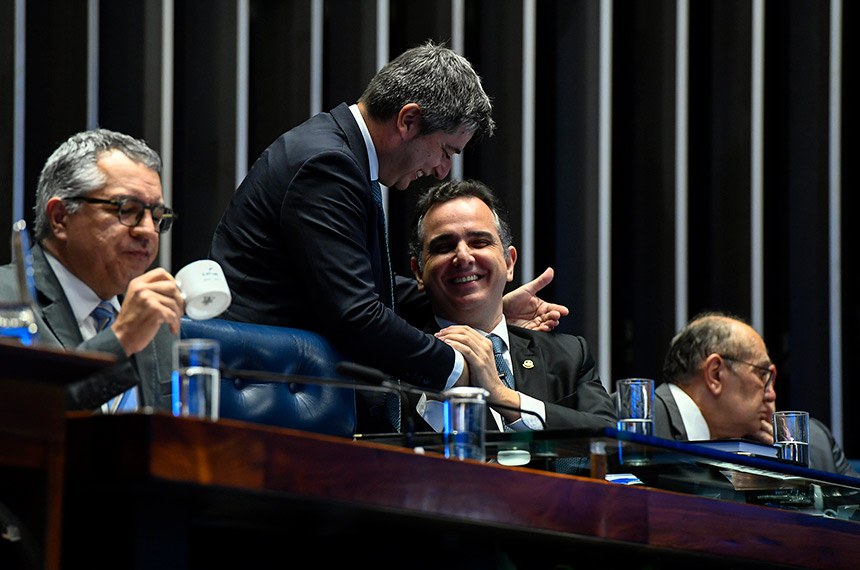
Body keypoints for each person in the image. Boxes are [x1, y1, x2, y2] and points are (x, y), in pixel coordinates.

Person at [209, 41, 568, 433]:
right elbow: (356, 314)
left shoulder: (337, 151)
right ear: (408, 121)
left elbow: (353, 285)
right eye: (446, 150)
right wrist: (460, 367)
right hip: (266, 401)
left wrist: (483, 301)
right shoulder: (327, 165)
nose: (442, 171)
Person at [406, 179, 615, 432]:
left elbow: (612, 441)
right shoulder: (397, 361)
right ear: (418, 272)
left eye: (479, 242)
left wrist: (503, 397)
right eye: (443, 247)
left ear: (509, 262)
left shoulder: (567, 355)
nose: (463, 256)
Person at [0, 128, 184, 411]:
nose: (148, 231)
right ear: (61, 218)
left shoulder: (155, 318)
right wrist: (120, 340)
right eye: (127, 209)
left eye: (157, 216)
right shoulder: (7, 301)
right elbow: (24, 417)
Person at [656, 311, 858, 477]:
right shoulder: (640, 426)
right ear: (715, 374)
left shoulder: (815, 445)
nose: (771, 395)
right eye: (762, 375)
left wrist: (793, 474)